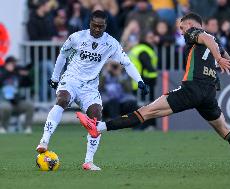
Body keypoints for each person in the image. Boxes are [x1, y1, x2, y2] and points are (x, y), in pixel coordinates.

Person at [76, 12, 230, 171]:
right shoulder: (215, 40)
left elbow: (204, 37)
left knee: (146, 112)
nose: (181, 31)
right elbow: (219, 47)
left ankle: (99, 128)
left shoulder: (195, 32)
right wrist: (220, 55)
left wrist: (218, 58)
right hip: (209, 94)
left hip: (192, 89)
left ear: (192, 24)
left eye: (182, 26)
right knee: (225, 131)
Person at [36, 10, 149, 171]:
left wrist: (139, 81)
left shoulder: (111, 43)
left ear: (105, 26)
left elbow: (127, 63)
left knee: (96, 117)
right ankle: (44, 140)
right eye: (94, 25)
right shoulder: (76, 37)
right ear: (89, 23)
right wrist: (55, 78)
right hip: (71, 79)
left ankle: (88, 161)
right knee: (62, 99)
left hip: (90, 87)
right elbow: (62, 56)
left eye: (101, 26)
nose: (97, 29)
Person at [0, 56, 34, 134]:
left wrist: (26, 75)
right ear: (7, 64)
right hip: (4, 102)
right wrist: (8, 72)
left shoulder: (16, 75)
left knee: (29, 105)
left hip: (16, 102)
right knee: (6, 107)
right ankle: (3, 128)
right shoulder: (2, 73)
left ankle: (27, 128)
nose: (14, 65)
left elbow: (29, 83)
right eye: (12, 63)